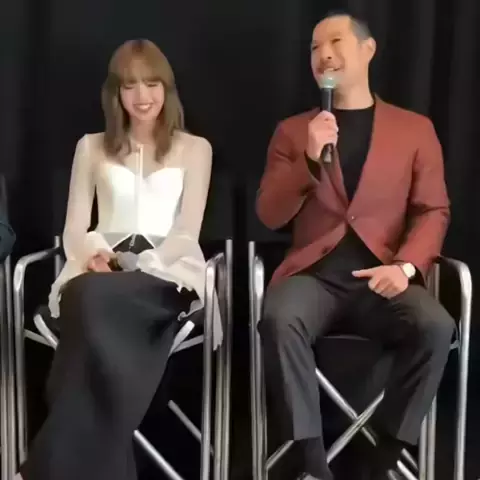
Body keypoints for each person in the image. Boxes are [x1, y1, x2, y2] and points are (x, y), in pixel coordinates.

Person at [256, 11, 454, 480]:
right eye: (314, 47)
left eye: (335, 42)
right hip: (313, 278)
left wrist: (405, 267)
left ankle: (384, 454)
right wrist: (308, 158)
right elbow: (269, 213)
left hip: (382, 279)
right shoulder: (293, 131)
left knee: (436, 326)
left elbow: (433, 210)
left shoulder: (415, 129)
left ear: (368, 50)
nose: (323, 54)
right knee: (279, 317)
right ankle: (309, 461)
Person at [20, 39, 219, 480]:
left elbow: (187, 231)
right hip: (97, 268)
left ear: (167, 88)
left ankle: (42, 468)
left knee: (91, 302)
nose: (142, 96)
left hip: (164, 276)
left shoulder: (195, 149)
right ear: (116, 93)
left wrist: (140, 264)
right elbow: (74, 227)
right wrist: (92, 254)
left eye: (152, 84)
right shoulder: (91, 147)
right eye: (130, 86)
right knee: (88, 293)